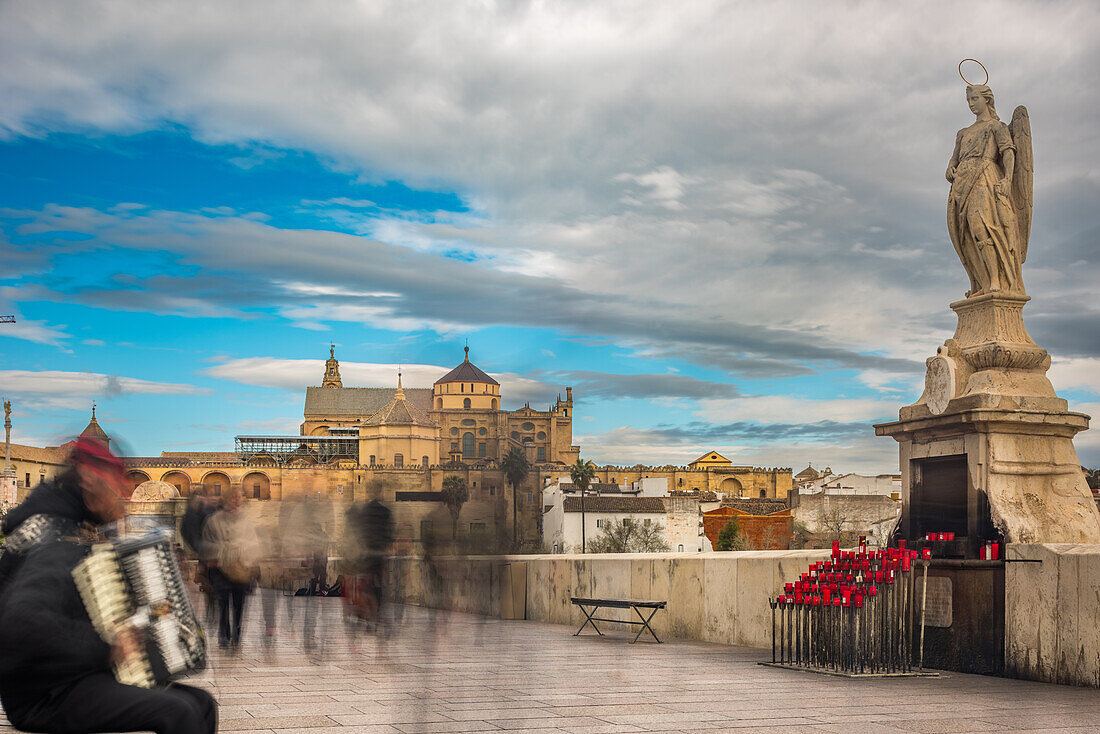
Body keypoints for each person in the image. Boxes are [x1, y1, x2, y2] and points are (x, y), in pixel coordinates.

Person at [0, 437, 217, 734]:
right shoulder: (52, 537)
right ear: (91, 483)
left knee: (200, 704)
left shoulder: (72, 525)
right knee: (178, 712)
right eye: (118, 488)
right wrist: (107, 646)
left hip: (76, 673)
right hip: (45, 692)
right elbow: (21, 626)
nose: (124, 498)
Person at [946, 84, 1027, 297]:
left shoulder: (995, 127)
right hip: (961, 185)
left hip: (984, 178)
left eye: (975, 99)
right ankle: (981, 282)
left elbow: (1008, 152)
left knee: (982, 227)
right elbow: (953, 160)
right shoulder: (962, 133)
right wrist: (950, 168)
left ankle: (995, 280)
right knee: (966, 235)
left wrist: (1008, 179)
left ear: (987, 100)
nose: (972, 104)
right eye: (969, 100)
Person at [202, 486, 261, 648]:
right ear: (227, 499)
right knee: (222, 603)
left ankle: (236, 634)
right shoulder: (214, 520)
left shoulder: (246, 520)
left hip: (240, 567)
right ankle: (224, 635)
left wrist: (246, 553)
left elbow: (253, 542)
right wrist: (214, 554)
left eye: (239, 498)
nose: (236, 501)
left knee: (239, 603)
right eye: (233, 497)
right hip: (220, 568)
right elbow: (207, 542)